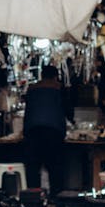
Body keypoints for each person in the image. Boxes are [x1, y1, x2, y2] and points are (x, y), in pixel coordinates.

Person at [23, 63, 70, 198]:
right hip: (54, 132)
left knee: (33, 168)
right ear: (56, 77)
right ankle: (56, 198)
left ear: (42, 75)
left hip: (32, 132)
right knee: (55, 168)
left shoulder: (32, 89)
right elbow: (68, 110)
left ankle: (34, 199)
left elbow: (28, 110)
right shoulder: (60, 89)